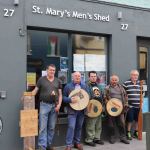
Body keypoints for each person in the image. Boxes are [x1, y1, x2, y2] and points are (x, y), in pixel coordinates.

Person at [32, 64, 62, 150]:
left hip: (54, 106)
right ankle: (42, 147)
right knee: (42, 127)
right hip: (44, 105)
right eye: (50, 70)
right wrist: (27, 96)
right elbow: (35, 91)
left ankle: (48, 145)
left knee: (51, 127)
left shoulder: (58, 81)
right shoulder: (41, 79)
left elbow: (60, 95)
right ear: (47, 70)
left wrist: (59, 105)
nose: (52, 71)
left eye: (53, 70)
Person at [63, 72, 88, 150]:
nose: (77, 77)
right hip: (72, 110)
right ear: (72, 77)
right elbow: (63, 97)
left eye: (79, 76)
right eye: (76, 76)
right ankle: (68, 145)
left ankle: (77, 143)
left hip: (82, 110)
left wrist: (85, 100)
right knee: (71, 127)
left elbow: (88, 96)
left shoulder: (84, 86)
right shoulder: (68, 86)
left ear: (81, 77)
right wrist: (69, 99)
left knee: (79, 127)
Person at [104, 75, 129, 144]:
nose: (114, 81)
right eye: (113, 80)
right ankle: (112, 137)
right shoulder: (107, 88)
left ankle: (123, 137)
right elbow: (105, 98)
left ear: (117, 80)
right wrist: (109, 103)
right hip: (111, 108)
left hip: (120, 108)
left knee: (122, 123)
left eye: (115, 80)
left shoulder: (121, 87)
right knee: (111, 124)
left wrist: (126, 104)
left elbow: (125, 96)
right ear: (110, 80)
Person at [85, 71, 104, 147]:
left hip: (99, 106)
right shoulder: (86, 85)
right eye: (92, 76)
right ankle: (89, 139)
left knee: (98, 124)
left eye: (95, 76)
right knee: (91, 124)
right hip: (91, 106)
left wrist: (102, 105)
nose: (93, 77)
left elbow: (101, 95)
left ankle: (97, 138)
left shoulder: (98, 85)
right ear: (89, 77)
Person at [123, 70, 142, 140]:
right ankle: (128, 132)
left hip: (139, 105)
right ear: (131, 75)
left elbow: (143, 93)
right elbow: (123, 94)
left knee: (137, 120)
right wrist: (126, 103)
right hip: (130, 106)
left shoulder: (140, 83)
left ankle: (136, 132)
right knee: (130, 120)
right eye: (134, 75)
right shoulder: (126, 83)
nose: (135, 76)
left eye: (136, 75)